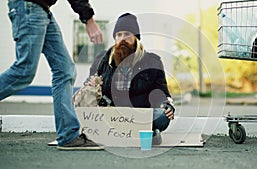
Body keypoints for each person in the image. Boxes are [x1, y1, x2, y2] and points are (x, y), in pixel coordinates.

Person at [0, 0, 104, 150]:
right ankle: (68, 134)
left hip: (42, 8)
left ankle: (68, 135)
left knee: (65, 70)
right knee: (24, 71)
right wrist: (89, 19)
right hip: (29, 5)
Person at [85, 13, 175, 145]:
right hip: (111, 114)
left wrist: (167, 106)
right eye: (119, 35)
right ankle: (146, 133)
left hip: (139, 114)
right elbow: (88, 88)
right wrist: (91, 85)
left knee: (161, 116)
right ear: (115, 38)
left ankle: (136, 131)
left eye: (127, 34)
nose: (122, 39)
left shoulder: (153, 61)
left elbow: (161, 93)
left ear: (136, 38)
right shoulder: (101, 60)